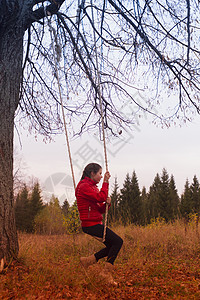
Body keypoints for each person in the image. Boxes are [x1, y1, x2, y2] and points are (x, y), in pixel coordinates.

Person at [75, 163, 123, 285]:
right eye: (100, 174)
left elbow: (100, 209)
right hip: (90, 224)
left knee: (113, 245)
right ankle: (105, 274)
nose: (101, 177)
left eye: (102, 175)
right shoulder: (84, 187)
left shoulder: (92, 187)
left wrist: (107, 204)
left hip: (94, 222)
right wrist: (106, 183)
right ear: (92, 173)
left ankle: (88, 261)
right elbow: (101, 196)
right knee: (118, 241)